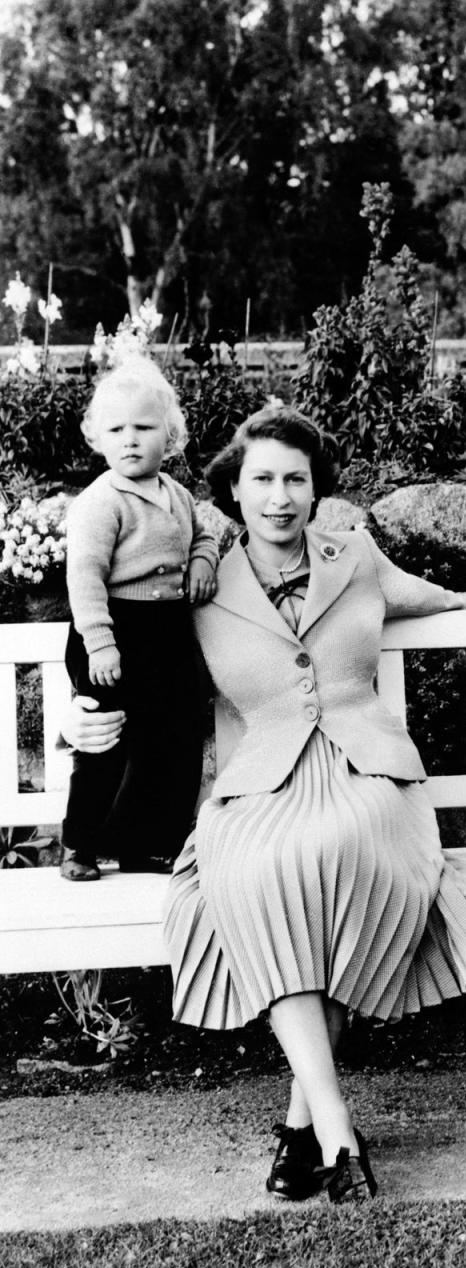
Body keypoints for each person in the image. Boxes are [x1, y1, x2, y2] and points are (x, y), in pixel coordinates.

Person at [64, 403, 466, 1205]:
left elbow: (437, 598)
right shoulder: (197, 581)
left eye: (296, 479)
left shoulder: (354, 556)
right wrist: (82, 719)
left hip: (367, 775)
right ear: (234, 488)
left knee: (344, 857)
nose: (280, 496)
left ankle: (308, 1126)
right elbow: (122, 659)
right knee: (271, 872)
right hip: (258, 783)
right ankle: (331, 1131)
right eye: (262, 479)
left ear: (317, 488)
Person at [60, 357, 218, 882]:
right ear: (98, 439)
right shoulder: (100, 502)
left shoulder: (176, 494)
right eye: (116, 429)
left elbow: (204, 535)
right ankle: (79, 844)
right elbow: (83, 576)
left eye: (144, 428)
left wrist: (201, 561)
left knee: (171, 740)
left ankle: (148, 844)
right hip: (112, 629)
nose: (130, 439)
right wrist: (101, 645)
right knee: (106, 737)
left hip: (167, 632)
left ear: (169, 436)